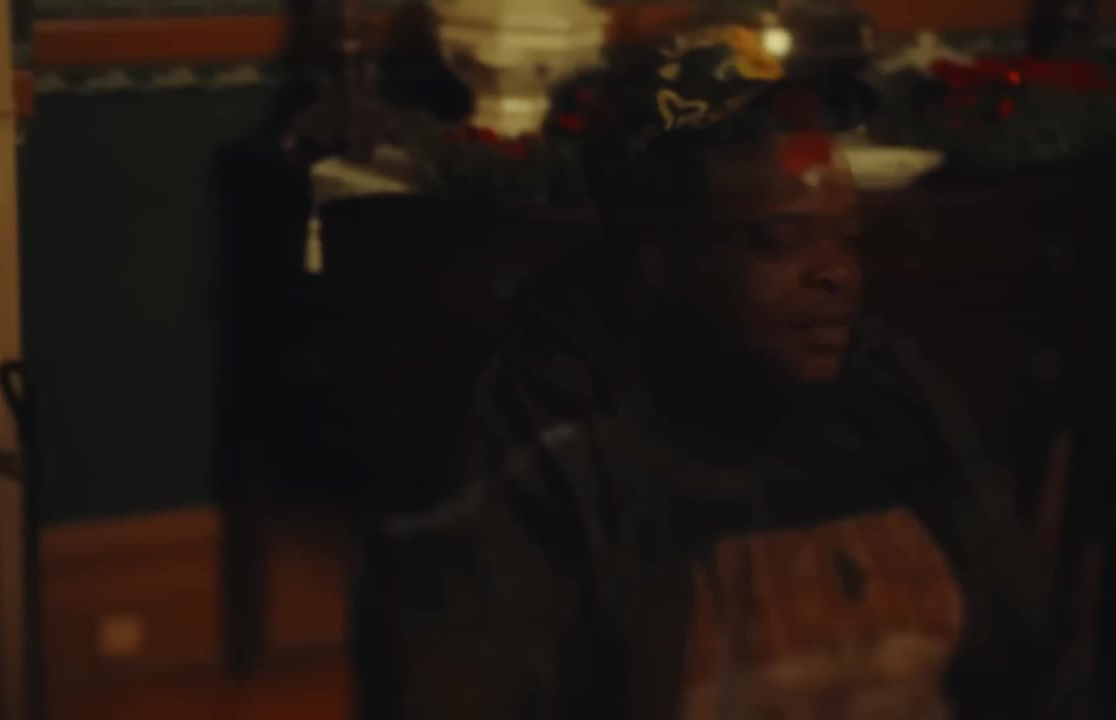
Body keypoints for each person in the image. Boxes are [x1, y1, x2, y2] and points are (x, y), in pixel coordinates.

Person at [354, 22, 1087, 720]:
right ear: (663, 260)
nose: (837, 273)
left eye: (845, 237)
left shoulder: (890, 394)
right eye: (780, 239)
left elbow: (1028, 659)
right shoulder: (559, 436)